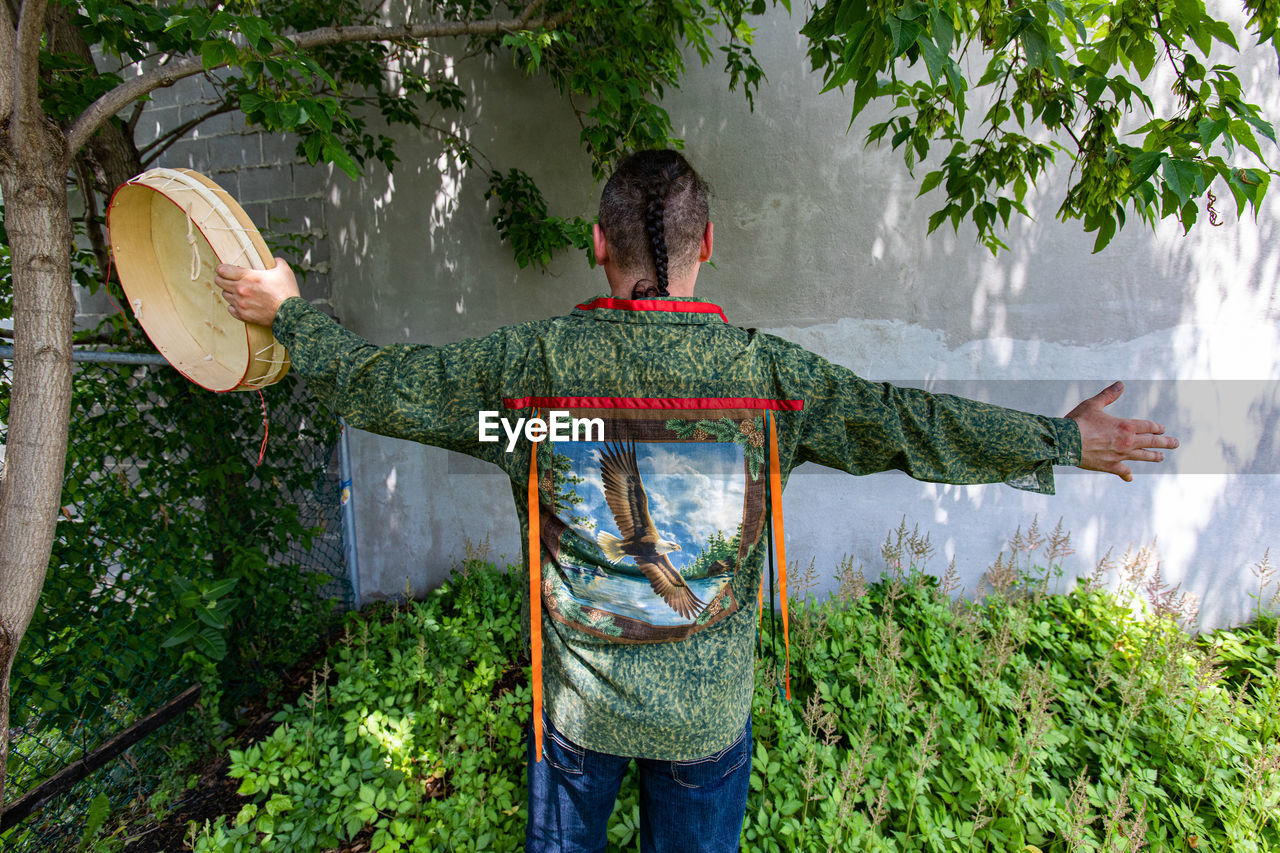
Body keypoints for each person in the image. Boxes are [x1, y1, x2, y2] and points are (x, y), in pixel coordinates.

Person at [216, 149, 1176, 852]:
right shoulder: (766, 383)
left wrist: (289, 311)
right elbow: (905, 423)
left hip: (576, 718)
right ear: (708, 241)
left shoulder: (532, 379)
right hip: (708, 721)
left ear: (596, 244)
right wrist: (1060, 439)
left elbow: (383, 384)